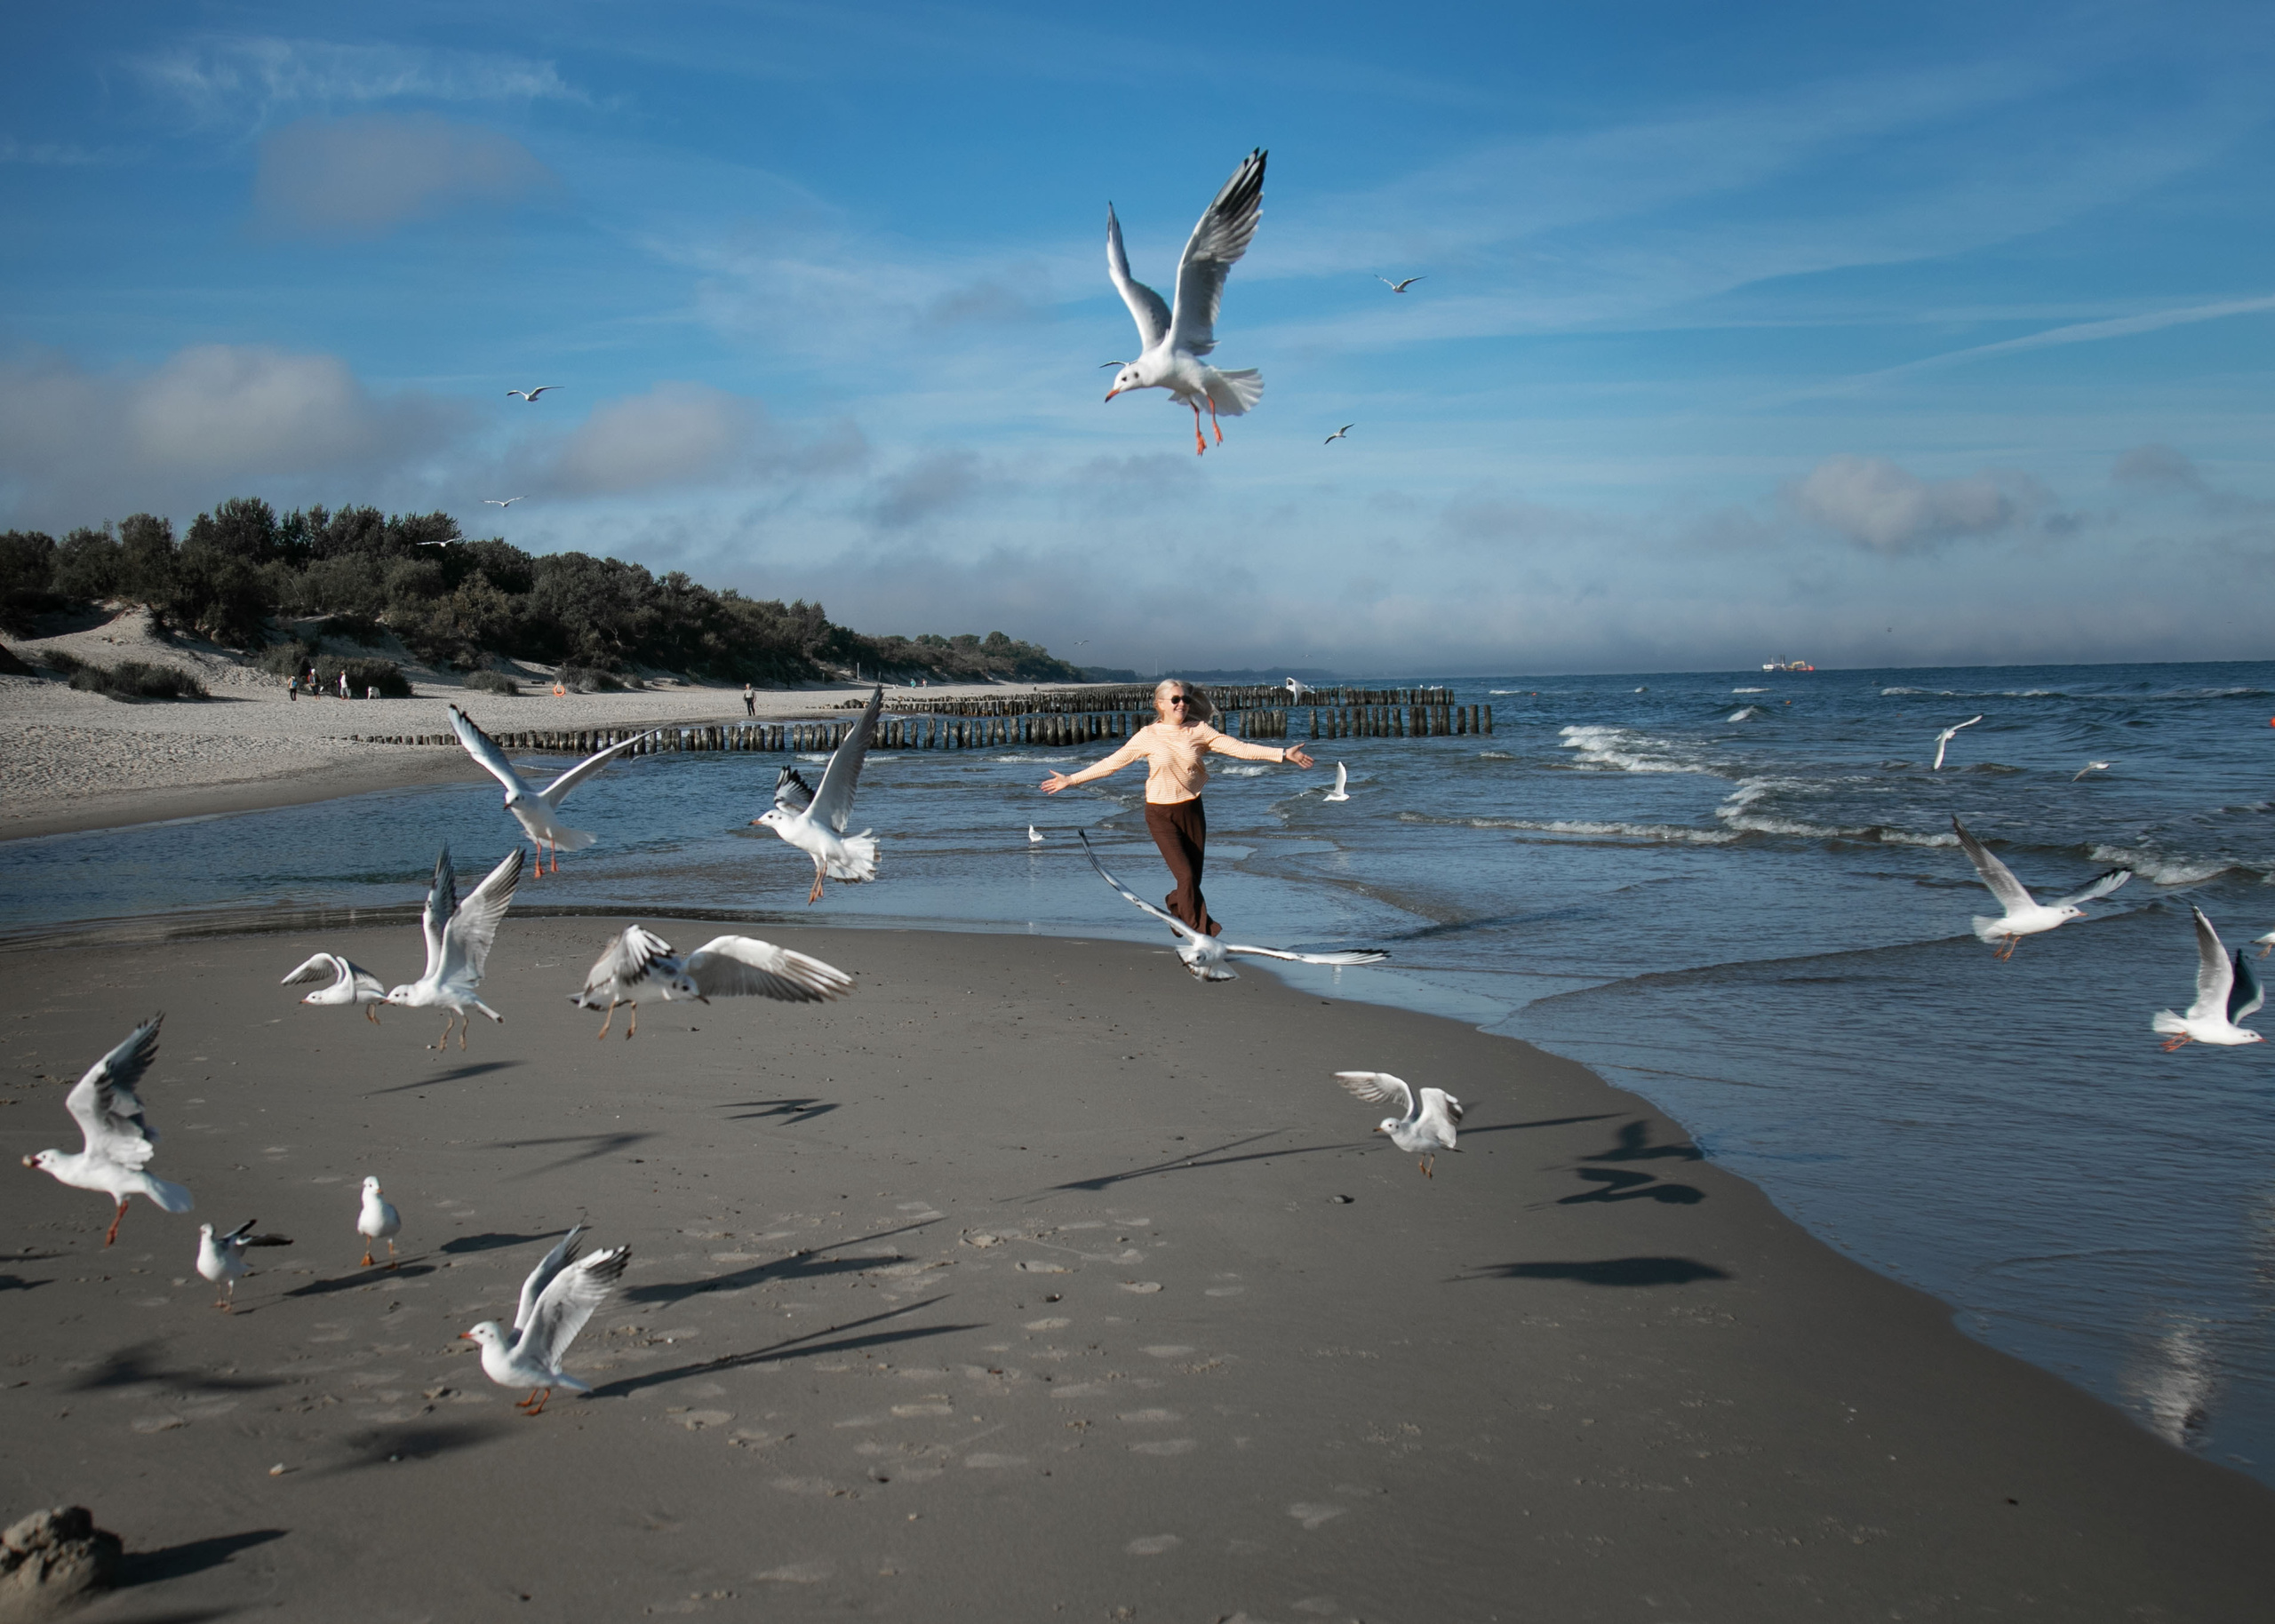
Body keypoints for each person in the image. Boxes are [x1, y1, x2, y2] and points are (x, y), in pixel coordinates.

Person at [1041, 680, 1313, 936]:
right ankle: (1201, 934)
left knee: (1192, 880)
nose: (1181, 704)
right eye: (1175, 699)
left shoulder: (1199, 730)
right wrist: (1071, 779)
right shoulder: (1148, 736)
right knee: (1185, 875)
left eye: (1185, 699)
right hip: (1160, 814)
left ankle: (1175, 903)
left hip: (1192, 810)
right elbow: (1113, 763)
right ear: (1160, 704)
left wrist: (1282, 754)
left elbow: (1238, 748)